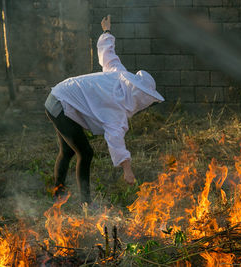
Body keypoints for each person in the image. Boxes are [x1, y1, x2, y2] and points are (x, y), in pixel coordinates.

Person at [44, 15, 164, 204]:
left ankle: (58, 194)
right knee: (85, 153)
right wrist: (127, 170)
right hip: (61, 104)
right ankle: (86, 204)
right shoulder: (116, 107)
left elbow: (107, 53)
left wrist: (106, 31)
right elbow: (115, 140)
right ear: (140, 95)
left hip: (57, 97)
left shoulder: (119, 75)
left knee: (68, 151)